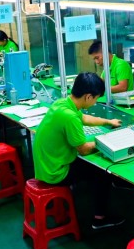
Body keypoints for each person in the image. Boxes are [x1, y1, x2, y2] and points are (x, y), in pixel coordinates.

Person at [32, 72, 125, 229]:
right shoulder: (69, 117)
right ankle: (100, 219)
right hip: (55, 172)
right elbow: (83, 150)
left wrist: (108, 122)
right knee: (102, 172)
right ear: (88, 96)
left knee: (89, 168)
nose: (95, 102)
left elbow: (85, 119)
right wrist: (105, 142)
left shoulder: (62, 103)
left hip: (44, 165)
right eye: (96, 98)